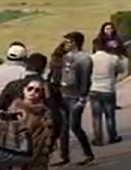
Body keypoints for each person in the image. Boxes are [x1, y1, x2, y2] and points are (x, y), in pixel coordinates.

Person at [55, 32, 95, 166]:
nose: (65, 44)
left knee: (75, 126)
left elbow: (85, 80)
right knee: (63, 127)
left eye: (68, 42)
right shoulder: (65, 57)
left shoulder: (84, 59)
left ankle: (88, 154)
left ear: (75, 43)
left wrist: (82, 98)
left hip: (76, 97)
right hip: (64, 95)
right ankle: (64, 156)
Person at [9, 78, 58, 170]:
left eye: (37, 90)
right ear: (24, 90)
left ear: (41, 94)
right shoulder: (14, 110)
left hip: (37, 155)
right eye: (30, 88)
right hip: (17, 154)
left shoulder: (45, 112)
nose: (33, 92)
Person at [89, 39, 127, 145]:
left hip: (94, 88)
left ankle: (98, 138)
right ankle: (112, 136)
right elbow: (121, 69)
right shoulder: (112, 58)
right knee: (110, 115)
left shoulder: (90, 59)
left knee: (96, 116)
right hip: (108, 88)